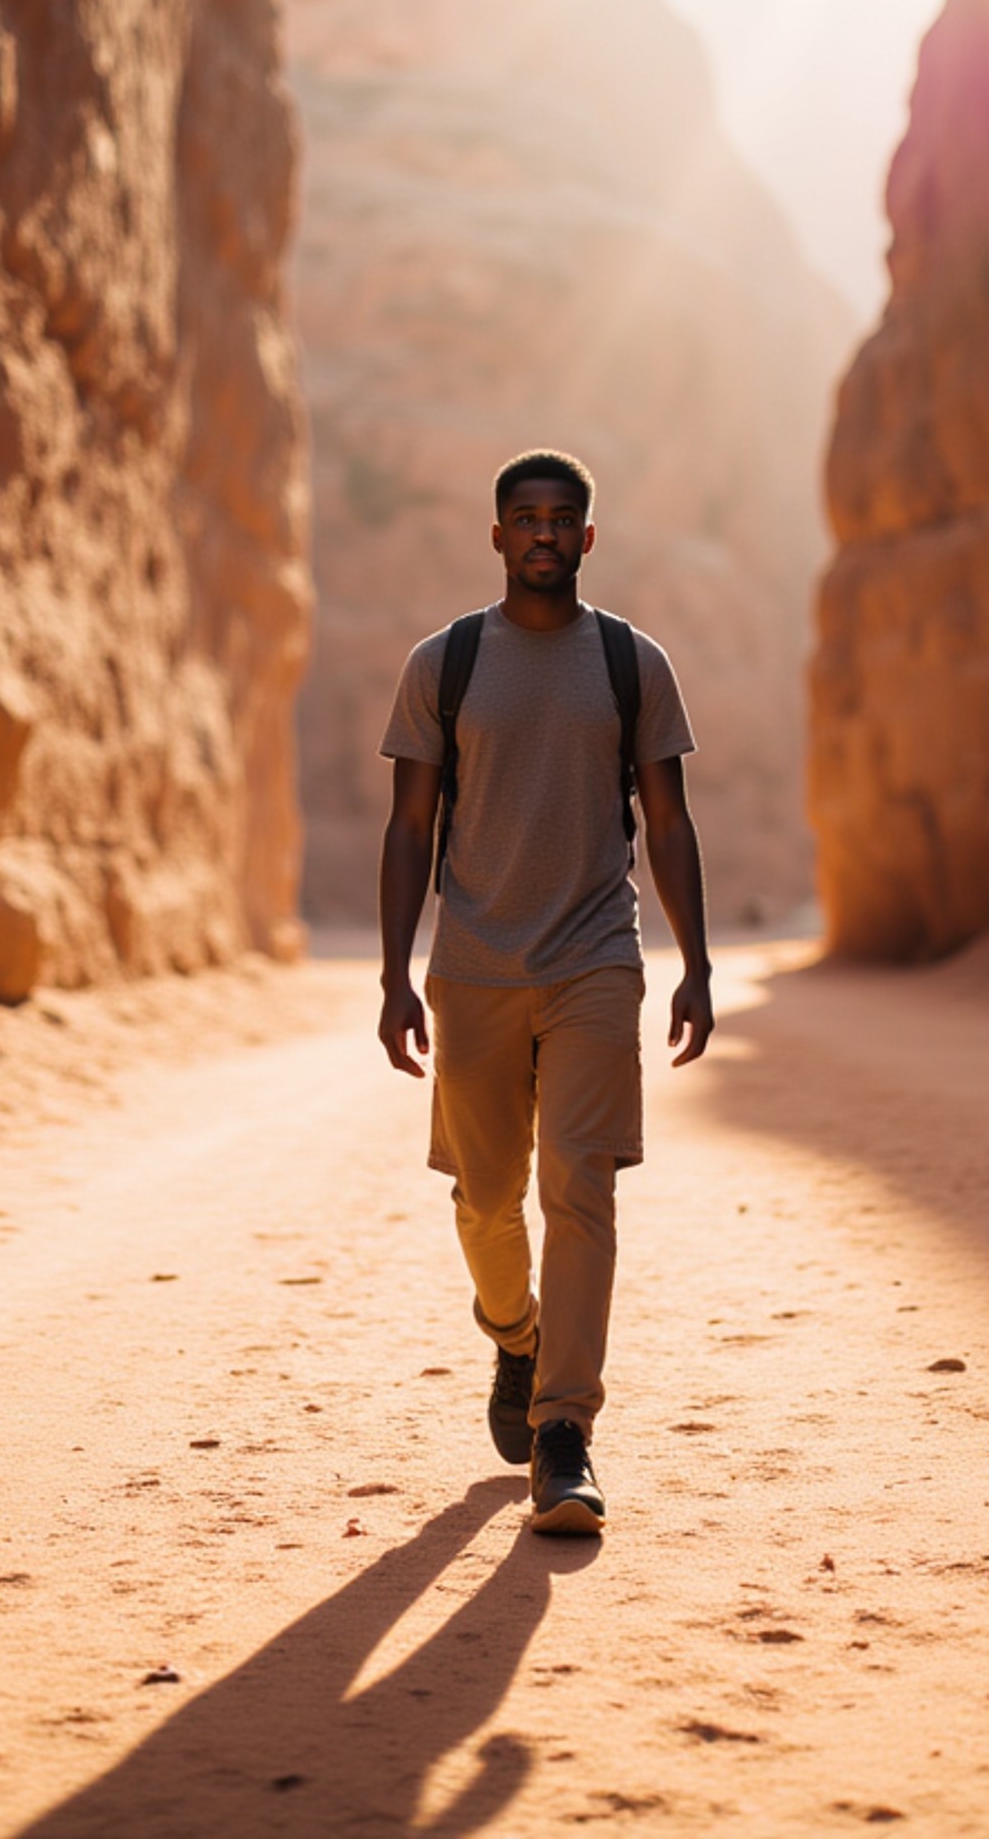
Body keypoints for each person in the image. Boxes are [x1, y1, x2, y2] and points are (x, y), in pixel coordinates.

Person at [376, 447, 713, 1535]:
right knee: (483, 1198)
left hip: (592, 959)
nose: (541, 534)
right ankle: (511, 1334)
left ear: (585, 537)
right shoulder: (445, 661)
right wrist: (393, 971)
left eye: (560, 519)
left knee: (580, 1185)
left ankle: (562, 1431)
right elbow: (407, 824)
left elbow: (664, 821)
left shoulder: (628, 662)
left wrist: (695, 963)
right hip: (472, 962)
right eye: (522, 518)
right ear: (495, 536)